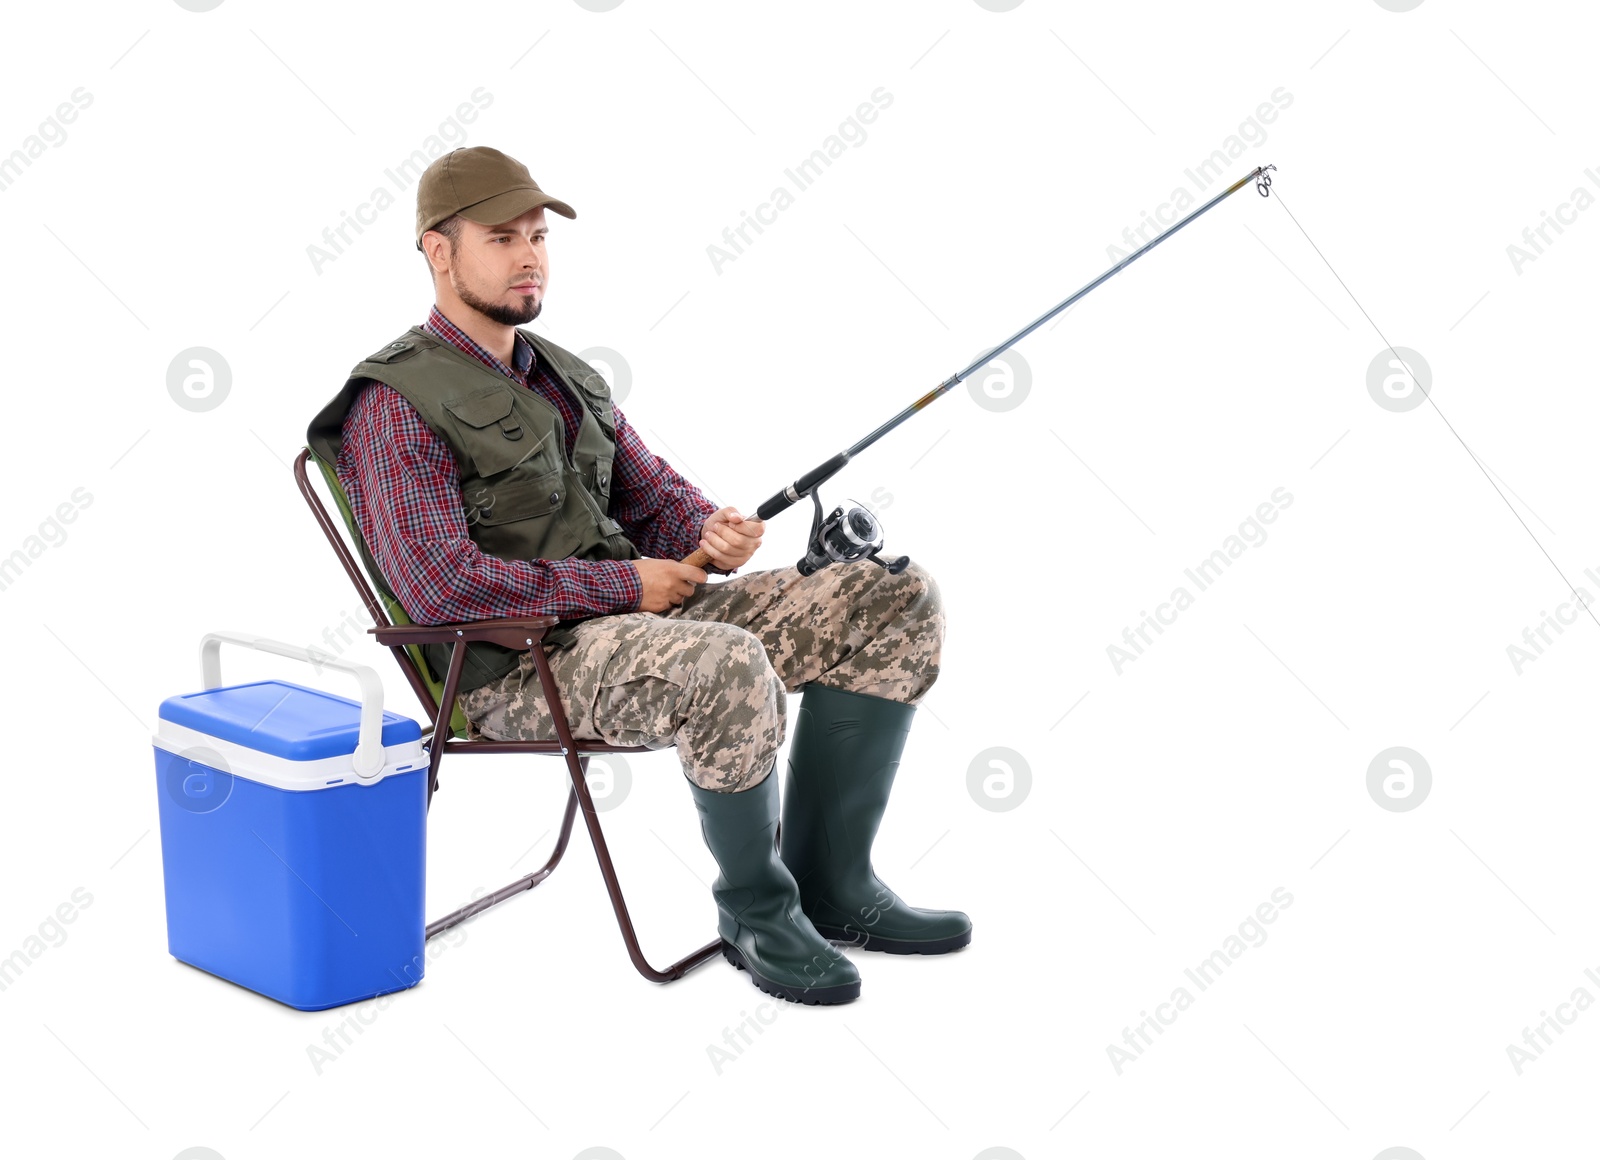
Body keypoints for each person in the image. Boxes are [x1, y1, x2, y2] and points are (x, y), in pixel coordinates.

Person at [306, 146, 969, 1005]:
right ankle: (758, 914)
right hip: (519, 669)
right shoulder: (394, 403)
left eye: (538, 236)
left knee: (894, 599)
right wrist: (624, 589)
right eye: (502, 238)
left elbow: (653, 496)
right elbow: (440, 587)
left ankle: (833, 885)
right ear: (438, 250)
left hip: (645, 626)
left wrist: (708, 529)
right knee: (726, 661)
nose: (530, 256)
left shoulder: (561, 375)